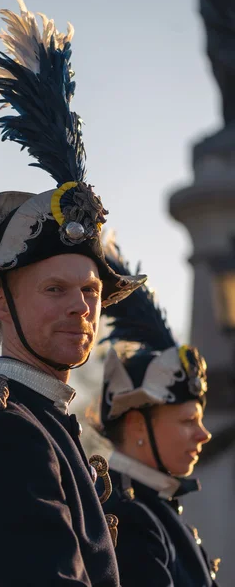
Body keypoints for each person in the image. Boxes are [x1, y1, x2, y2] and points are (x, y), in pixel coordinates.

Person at [0, 0, 146, 586]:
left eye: (91, 290)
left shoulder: (38, 423)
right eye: (54, 287)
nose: (80, 305)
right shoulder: (7, 434)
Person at [92, 238, 221, 587]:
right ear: (136, 422)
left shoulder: (148, 506)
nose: (203, 434)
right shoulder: (130, 516)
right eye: (186, 421)